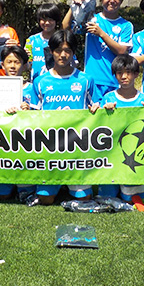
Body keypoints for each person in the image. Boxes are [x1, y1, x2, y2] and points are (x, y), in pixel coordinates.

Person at [32, 29, 99, 204]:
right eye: (58, 50)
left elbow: (97, 105)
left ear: (74, 52)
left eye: (68, 50)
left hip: (77, 148)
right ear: (51, 51)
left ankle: (71, 184)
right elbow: (32, 114)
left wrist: (99, 107)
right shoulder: (40, 81)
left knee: (84, 198)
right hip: (49, 148)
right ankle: (57, 185)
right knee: (45, 200)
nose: (63, 55)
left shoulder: (86, 80)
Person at [95, 54, 144, 202]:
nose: (124, 76)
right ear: (114, 75)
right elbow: (98, 125)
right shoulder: (108, 98)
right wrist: (102, 110)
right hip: (111, 156)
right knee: (106, 199)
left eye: (128, 72)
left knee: (133, 200)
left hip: (134, 159)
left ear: (136, 74)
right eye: (119, 73)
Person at [0, 45, 40, 200]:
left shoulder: (32, 88)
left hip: (25, 144)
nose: (13, 66)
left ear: (25, 65)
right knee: (3, 196)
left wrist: (28, 110)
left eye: (17, 62)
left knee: (25, 192)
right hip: (2, 144)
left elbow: (40, 115)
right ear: (2, 65)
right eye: (9, 62)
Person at [63, 0, 133, 100]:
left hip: (115, 81)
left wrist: (101, 34)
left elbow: (122, 51)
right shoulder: (91, 19)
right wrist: (73, 7)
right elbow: (66, 28)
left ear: (121, 1)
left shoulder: (126, 25)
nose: (112, 1)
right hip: (92, 80)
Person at [24, 3, 62, 82]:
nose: (47, 23)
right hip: (36, 83)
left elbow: (73, 63)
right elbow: (27, 67)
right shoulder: (32, 40)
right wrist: (25, 58)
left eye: (50, 19)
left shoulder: (61, 39)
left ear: (56, 20)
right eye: (43, 19)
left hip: (57, 83)